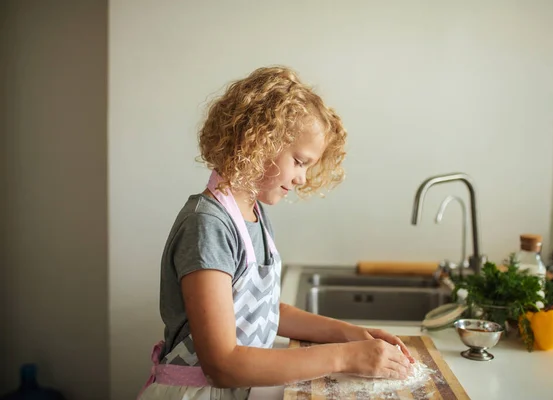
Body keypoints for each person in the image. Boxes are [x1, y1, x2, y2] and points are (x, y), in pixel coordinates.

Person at [138, 66, 414, 400]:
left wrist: (351, 335)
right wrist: (344, 357)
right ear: (258, 141)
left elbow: (267, 310)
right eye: (299, 161)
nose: (301, 178)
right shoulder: (207, 225)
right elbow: (221, 364)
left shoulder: (253, 213)